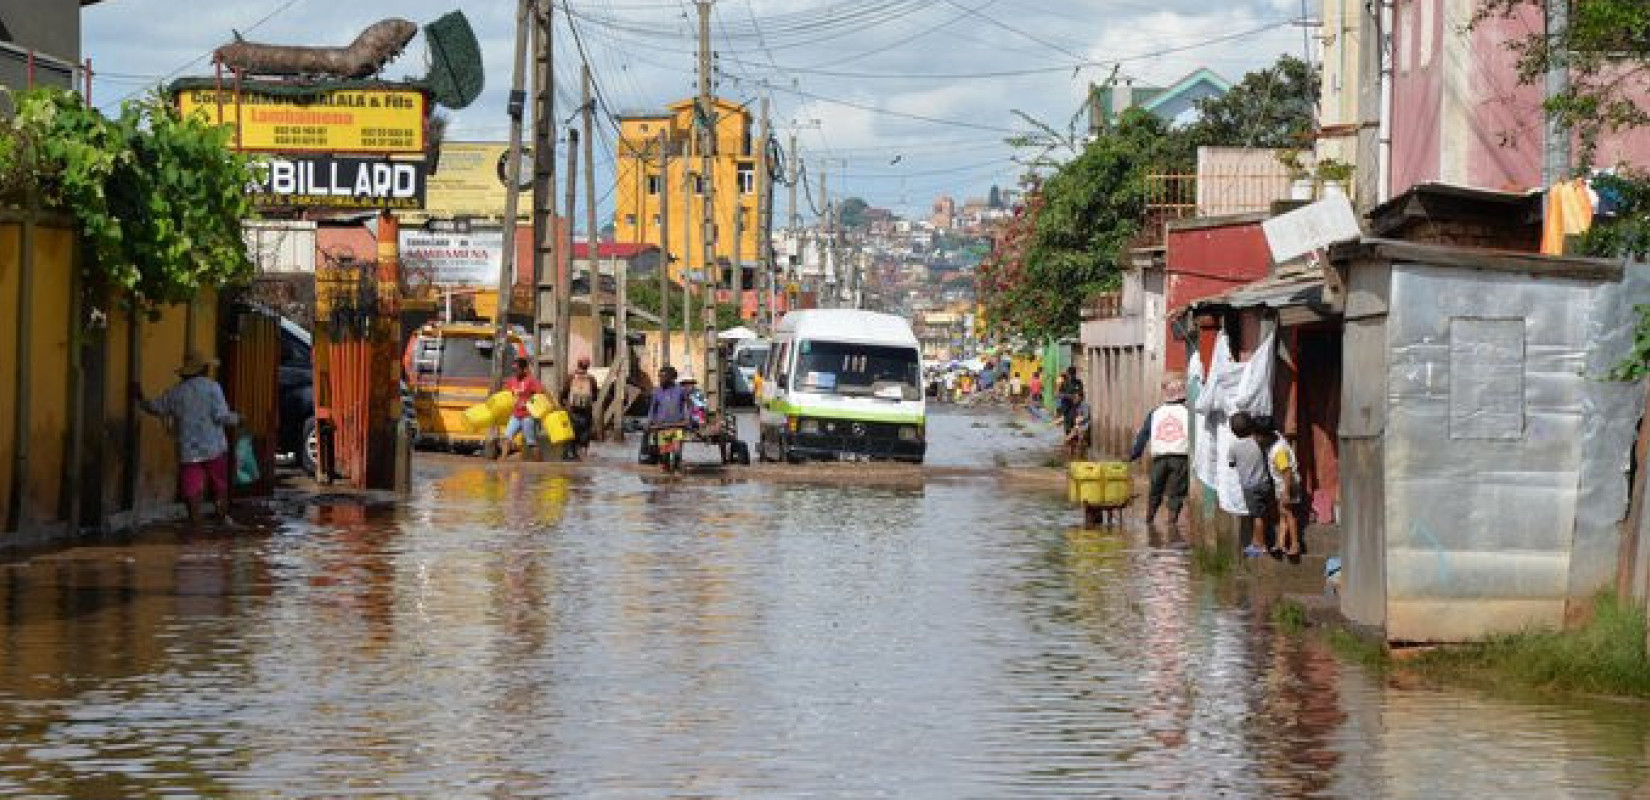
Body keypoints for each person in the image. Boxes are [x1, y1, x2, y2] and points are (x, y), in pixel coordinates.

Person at [132, 350, 240, 526]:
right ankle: (222, 520)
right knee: (219, 486)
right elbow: (221, 416)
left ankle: (195, 524)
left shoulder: (176, 392)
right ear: (205, 369)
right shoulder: (213, 388)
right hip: (214, 449)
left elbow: (156, 408)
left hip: (189, 451)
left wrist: (140, 397)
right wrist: (238, 419)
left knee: (192, 490)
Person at [1129, 375, 1191, 526]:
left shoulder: (1155, 413)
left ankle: (1148, 522)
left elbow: (1143, 435)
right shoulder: (1189, 412)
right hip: (1180, 457)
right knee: (1176, 493)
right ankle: (1172, 525)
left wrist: (1134, 454)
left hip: (1159, 458)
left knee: (1155, 491)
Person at [1228, 411, 1275, 558]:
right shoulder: (1257, 441)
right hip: (1265, 482)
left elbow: (1231, 463)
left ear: (1233, 431)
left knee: (1257, 517)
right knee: (1263, 514)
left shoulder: (1234, 446)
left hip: (1250, 487)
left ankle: (1261, 546)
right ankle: (1256, 542)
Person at [1256, 415, 1302, 557]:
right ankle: (1280, 544)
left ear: (1264, 436)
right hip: (1282, 484)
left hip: (1288, 485)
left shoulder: (1278, 451)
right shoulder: (1275, 436)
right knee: (1282, 514)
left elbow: (1287, 471)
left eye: (1256, 435)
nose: (1255, 438)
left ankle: (1295, 544)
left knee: (1288, 513)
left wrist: (1286, 492)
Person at [499, 356, 545, 460]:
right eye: (513, 369)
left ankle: (540, 464)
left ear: (524, 369)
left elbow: (541, 393)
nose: (515, 371)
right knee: (506, 438)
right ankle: (502, 461)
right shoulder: (512, 381)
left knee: (531, 443)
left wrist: (530, 402)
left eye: (516, 369)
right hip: (515, 415)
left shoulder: (531, 381)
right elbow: (505, 394)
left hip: (527, 416)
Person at [647, 366, 691, 469]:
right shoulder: (657, 392)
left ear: (671, 378)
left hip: (677, 426)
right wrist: (649, 422)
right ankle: (666, 480)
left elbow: (689, 405)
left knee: (676, 453)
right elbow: (652, 409)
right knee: (664, 456)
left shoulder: (681, 390)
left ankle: (676, 476)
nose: (660, 379)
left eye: (663, 377)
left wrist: (688, 418)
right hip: (662, 428)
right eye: (659, 377)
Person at [562, 356, 599, 460]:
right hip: (586, 412)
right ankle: (582, 460)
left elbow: (563, 394)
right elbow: (595, 396)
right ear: (588, 366)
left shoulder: (570, 377)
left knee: (571, 435)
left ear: (578, 364)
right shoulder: (591, 379)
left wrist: (564, 405)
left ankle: (571, 457)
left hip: (572, 411)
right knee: (584, 436)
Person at [1064, 389, 1092, 460]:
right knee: (1067, 440)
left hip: (1083, 426)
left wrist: (1079, 420)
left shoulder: (1085, 405)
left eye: (1076, 397)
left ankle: (1080, 458)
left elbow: (1086, 416)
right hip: (1077, 427)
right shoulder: (1076, 405)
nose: (1075, 398)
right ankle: (1073, 457)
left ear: (1081, 397)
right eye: (1074, 397)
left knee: (1080, 442)